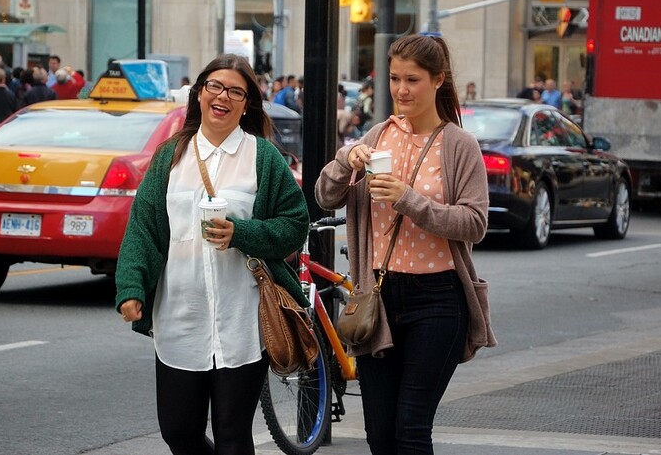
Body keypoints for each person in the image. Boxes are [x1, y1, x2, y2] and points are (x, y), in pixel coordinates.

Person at [115, 53, 309, 455]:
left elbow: (295, 224)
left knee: (233, 438)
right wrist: (131, 286)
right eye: (216, 87)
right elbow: (143, 229)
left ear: (247, 103)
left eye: (236, 91)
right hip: (180, 320)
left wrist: (243, 233)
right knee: (178, 432)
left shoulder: (263, 157)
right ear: (200, 93)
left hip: (242, 322)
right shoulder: (170, 156)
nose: (224, 97)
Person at [315, 34, 496, 455]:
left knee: (411, 430)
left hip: (438, 300)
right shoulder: (377, 136)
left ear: (438, 81)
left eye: (412, 79)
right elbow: (325, 197)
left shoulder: (459, 145)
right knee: (379, 435)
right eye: (395, 78)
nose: (401, 89)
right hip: (378, 296)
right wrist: (346, 160)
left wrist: (408, 200)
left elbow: (474, 223)